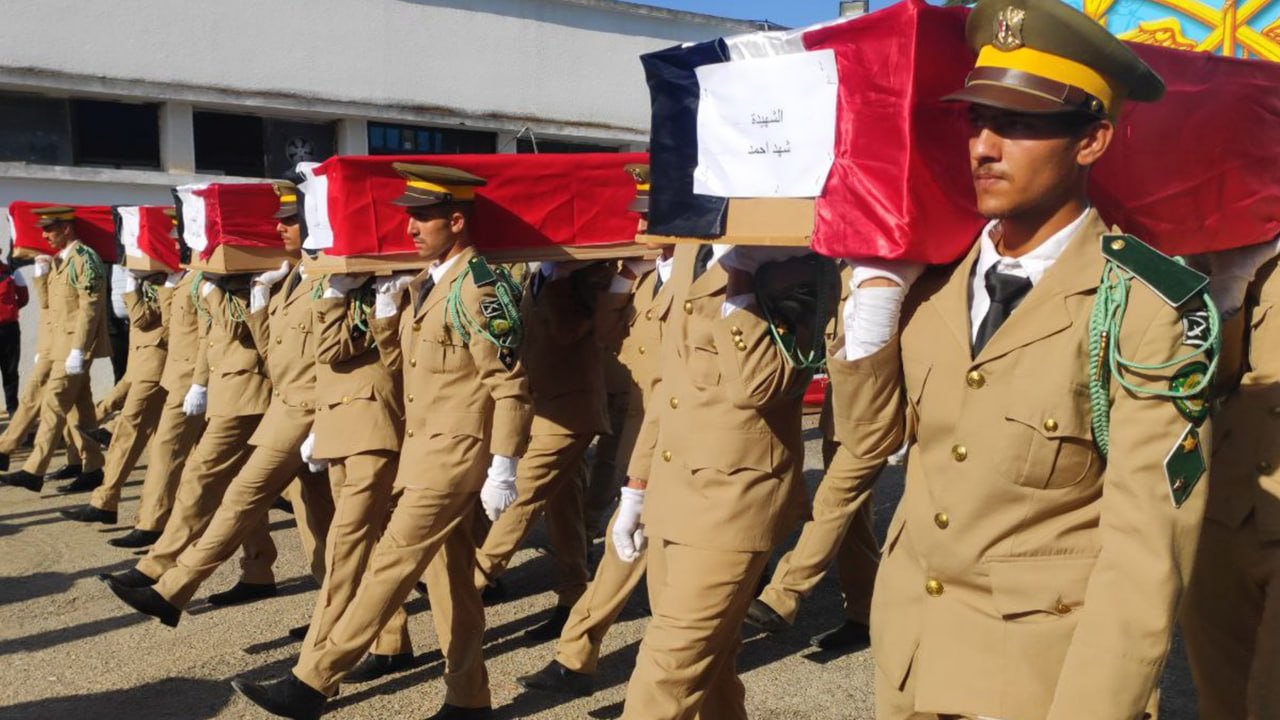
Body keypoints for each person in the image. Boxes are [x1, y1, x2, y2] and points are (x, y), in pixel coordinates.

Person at [845, 1, 1215, 717]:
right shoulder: (930, 287)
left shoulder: (1144, 307)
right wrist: (870, 310)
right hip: (908, 660)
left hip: (1035, 684)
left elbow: (1145, 553)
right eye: (976, 120)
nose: (984, 146)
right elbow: (867, 443)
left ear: (1092, 140)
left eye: (1018, 124)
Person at [231, 163, 533, 720]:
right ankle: (470, 698)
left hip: (454, 455)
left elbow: (510, 384)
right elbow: (409, 372)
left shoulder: (481, 288)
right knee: (453, 583)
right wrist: (390, 318)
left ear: (458, 221)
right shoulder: (426, 284)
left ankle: (312, 683)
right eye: (409, 217)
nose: (411, 228)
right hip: (421, 451)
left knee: (388, 566)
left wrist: (504, 465)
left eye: (423, 218)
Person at [617, 240, 835, 720]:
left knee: (667, 665)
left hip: (736, 499)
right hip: (674, 489)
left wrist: (743, 285)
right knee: (708, 664)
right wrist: (636, 485)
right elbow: (669, 386)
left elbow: (763, 386)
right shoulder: (693, 251)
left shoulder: (793, 263)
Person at [103, 180, 335, 624]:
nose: (282, 228)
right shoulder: (280, 279)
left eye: (292, 220)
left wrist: (248, 297)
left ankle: (165, 575)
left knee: (220, 486)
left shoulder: (308, 279)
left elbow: (308, 355)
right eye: (280, 221)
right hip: (267, 402)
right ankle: (274, 582)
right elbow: (240, 342)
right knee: (311, 509)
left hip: (267, 400)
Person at [518, 163, 676, 698]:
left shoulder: (713, 278)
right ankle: (579, 657)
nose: (637, 226)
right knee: (629, 538)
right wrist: (624, 280)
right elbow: (609, 336)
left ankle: (583, 658)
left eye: (649, 217)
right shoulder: (644, 277)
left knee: (635, 541)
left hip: (685, 424)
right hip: (646, 416)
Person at [745, 261, 886, 652]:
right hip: (841, 411)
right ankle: (866, 615)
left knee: (833, 501)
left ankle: (785, 593)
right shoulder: (832, 267)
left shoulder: (905, 261)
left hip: (881, 408)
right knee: (853, 520)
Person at [472, 255, 614, 639]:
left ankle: (473, 583)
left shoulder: (592, 274)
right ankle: (572, 598)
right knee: (562, 509)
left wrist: (559, 281)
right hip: (542, 406)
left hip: (572, 411)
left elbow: (571, 331)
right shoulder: (539, 273)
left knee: (522, 500)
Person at [293, 269, 415, 683]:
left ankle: (311, 675)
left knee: (344, 551)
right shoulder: (328, 280)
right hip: (340, 425)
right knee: (374, 544)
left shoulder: (385, 285)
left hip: (375, 425)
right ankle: (391, 641)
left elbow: (331, 349)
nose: (283, 230)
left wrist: (337, 296)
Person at [1180, 238, 1280, 719]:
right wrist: (1226, 293)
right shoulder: (1238, 222)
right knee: (1223, 705)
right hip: (1226, 515)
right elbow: (1201, 380)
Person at [0, 207, 108, 493]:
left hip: (73, 347)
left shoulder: (86, 258)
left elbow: (90, 309)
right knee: (81, 410)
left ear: (66, 229)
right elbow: (50, 307)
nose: (44, 235)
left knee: (54, 402)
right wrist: (42, 274)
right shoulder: (61, 260)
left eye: (49, 229)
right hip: (56, 344)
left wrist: (79, 350)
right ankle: (93, 467)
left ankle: (33, 470)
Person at [61, 269, 170, 525]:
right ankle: (149, 518)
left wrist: (132, 289)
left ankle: (113, 504)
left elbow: (144, 317)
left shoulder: (170, 277)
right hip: (145, 356)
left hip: (160, 359)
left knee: (133, 434)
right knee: (159, 446)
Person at [0, 256, 30, 415]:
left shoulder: (12, 271)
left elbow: (24, 297)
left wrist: (9, 311)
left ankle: (13, 409)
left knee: (10, 371)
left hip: (8, 330)